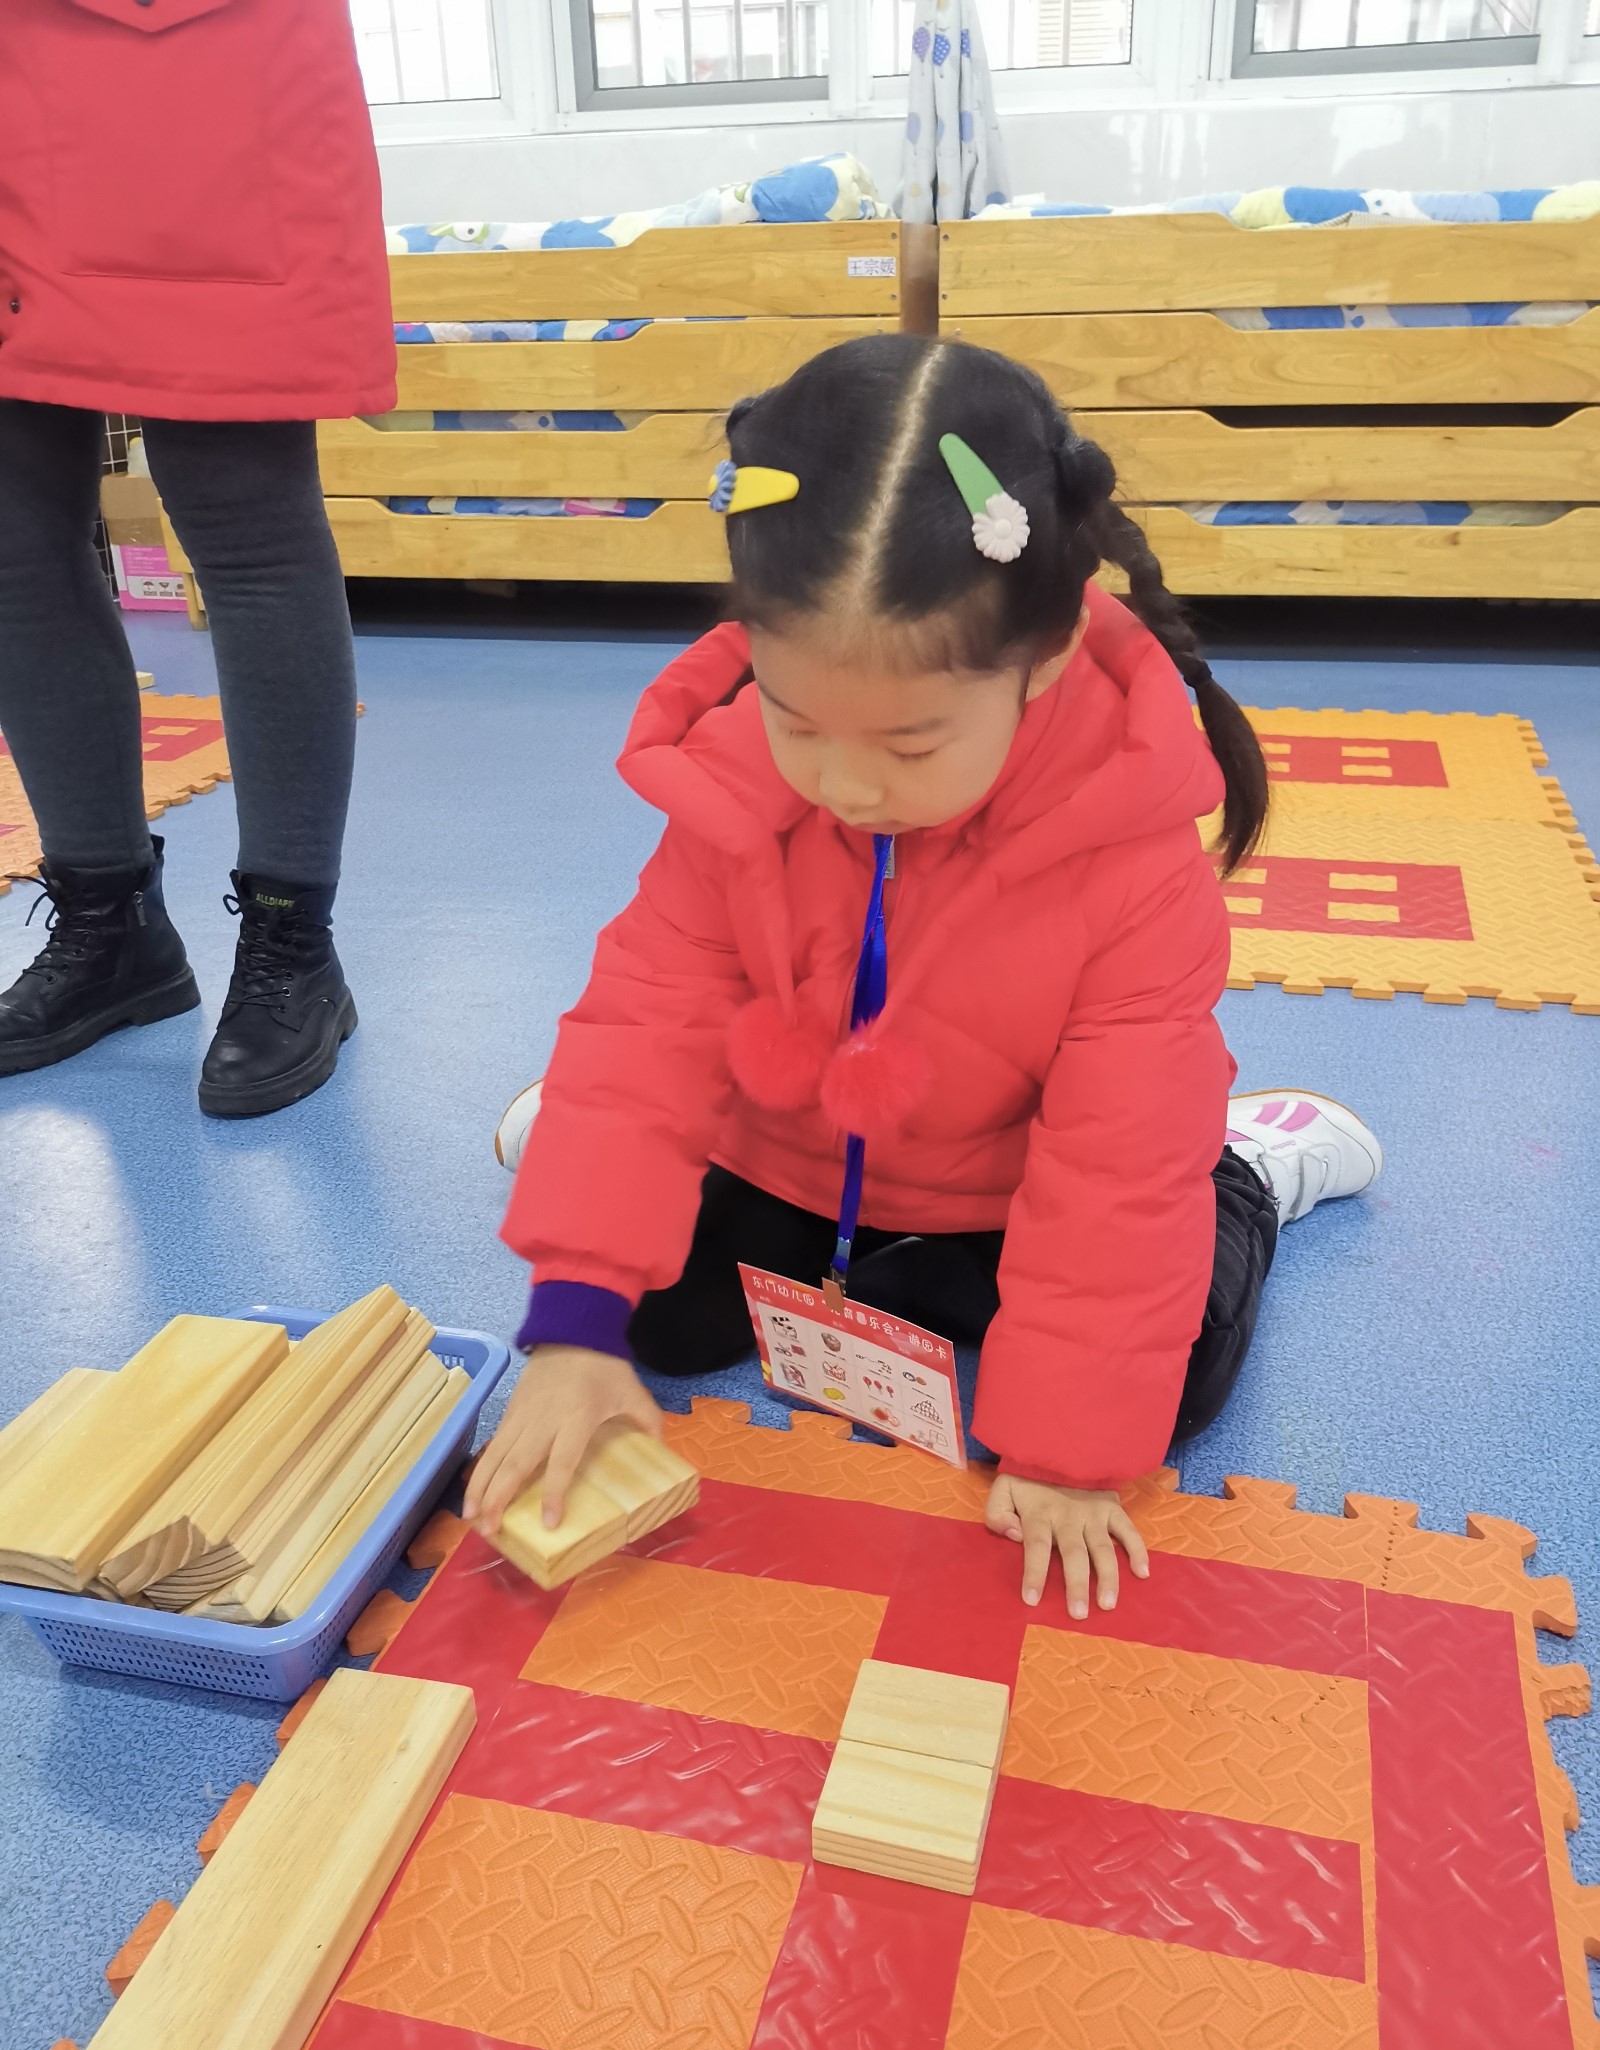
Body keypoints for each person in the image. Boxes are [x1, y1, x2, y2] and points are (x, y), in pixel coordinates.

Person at [468, 335, 1383, 1613]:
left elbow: (1115, 1167)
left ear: (1043, 659)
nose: (844, 784)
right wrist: (573, 1316)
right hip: (798, 1152)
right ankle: (595, 1172)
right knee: (644, 1324)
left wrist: (1067, 1455)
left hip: (1008, 1190)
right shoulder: (733, 782)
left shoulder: (1127, 857)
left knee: (1157, 1396)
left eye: (908, 744)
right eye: (795, 718)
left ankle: (1252, 1172)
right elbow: (646, 1024)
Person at [0, 0, 394, 1115]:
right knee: (12, 541)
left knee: (245, 524)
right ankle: (109, 928)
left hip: (206, 68)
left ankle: (291, 946)